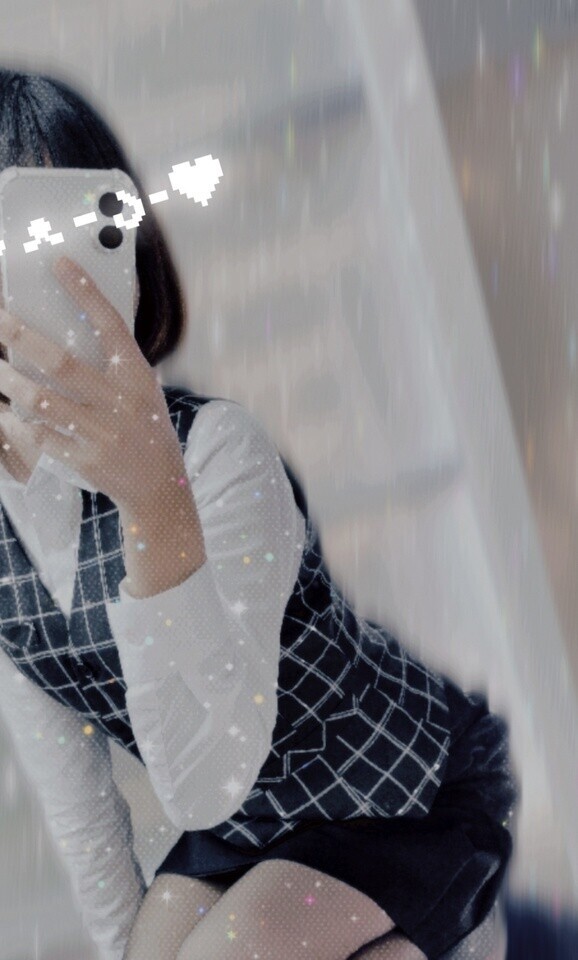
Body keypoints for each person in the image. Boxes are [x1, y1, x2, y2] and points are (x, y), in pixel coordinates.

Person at [0, 69, 519, 960]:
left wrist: (152, 502)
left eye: (55, 237)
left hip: (394, 788)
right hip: (249, 828)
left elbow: (205, 780)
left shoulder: (214, 450)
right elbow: (80, 806)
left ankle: (448, 928)